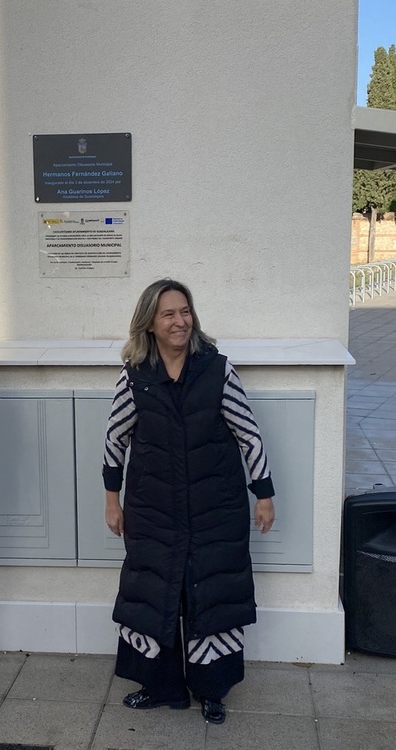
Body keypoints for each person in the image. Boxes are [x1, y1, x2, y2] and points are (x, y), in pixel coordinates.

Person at [103, 278, 276, 725]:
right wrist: (112, 501)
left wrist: (264, 495)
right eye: (169, 314)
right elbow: (114, 441)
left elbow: (249, 435)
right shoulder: (135, 377)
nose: (180, 321)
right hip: (153, 510)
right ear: (150, 324)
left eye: (185, 311)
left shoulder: (217, 369)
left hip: (215, 510)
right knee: (155, 594)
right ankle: (162, 688)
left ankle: (211, 690)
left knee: (211, 595)